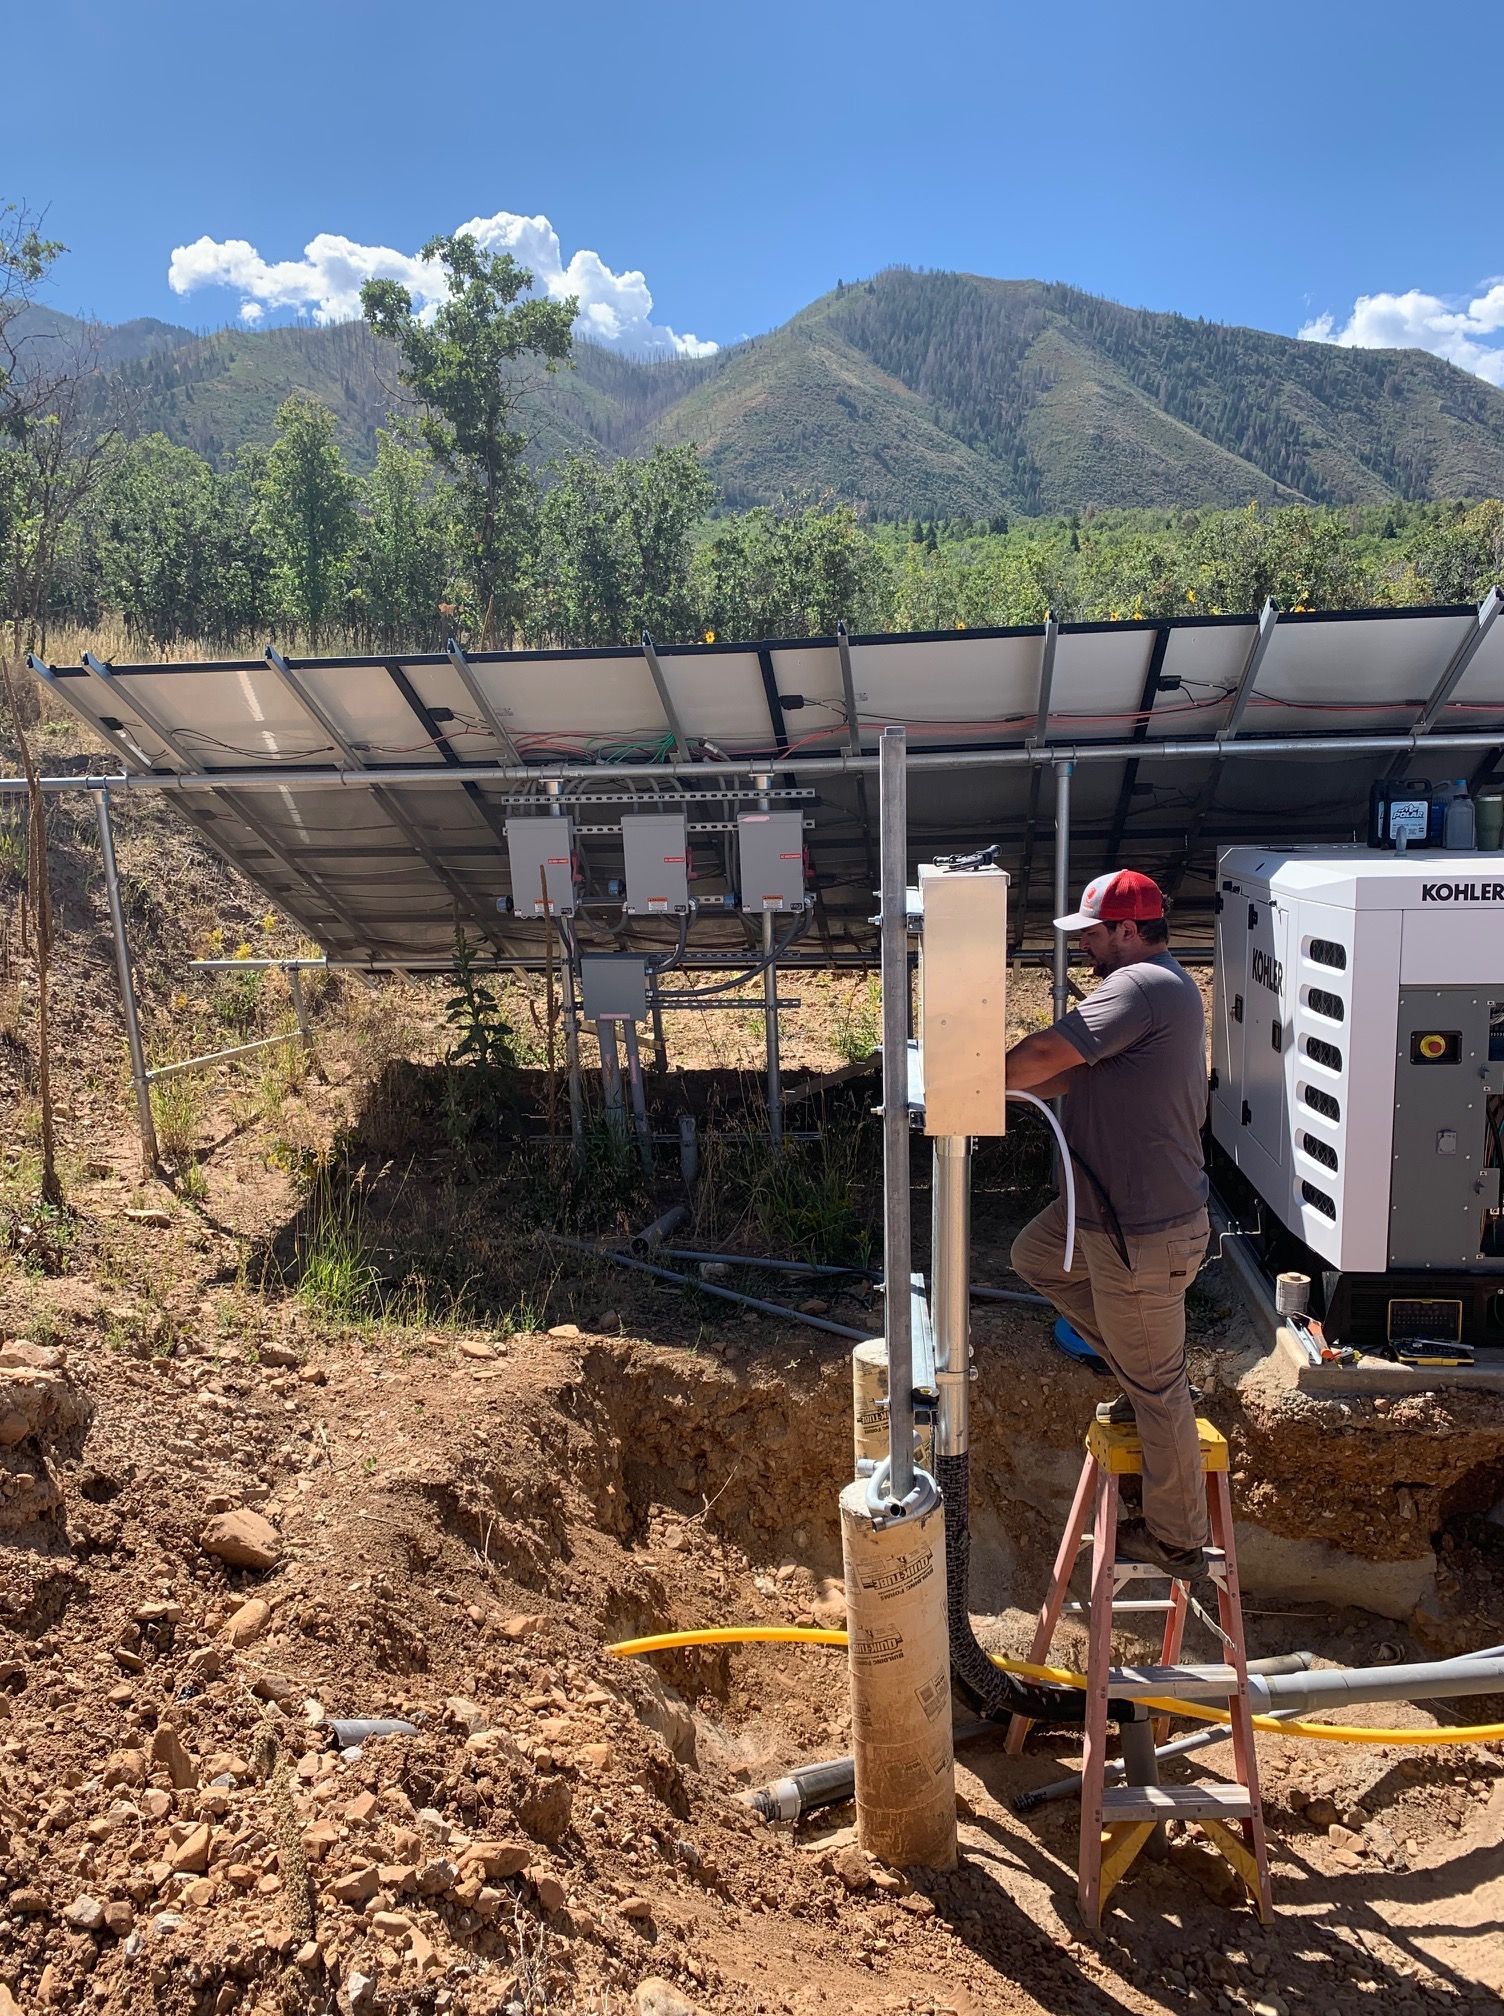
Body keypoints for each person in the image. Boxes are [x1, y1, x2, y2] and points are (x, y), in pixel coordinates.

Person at [1004, 869, 1211, 1577]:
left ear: (1128, 930)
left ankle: (1178, 1537)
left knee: (1160, 1392)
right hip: (1108, 1218)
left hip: (1139, 1232)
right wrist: (987, 1081)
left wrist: (966, 1079)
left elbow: (1042, 1057)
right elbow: (1067, 1074)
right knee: (1037, 1257)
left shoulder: (1141, 986)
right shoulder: (1157, 989)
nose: (1085, 947)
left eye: (1092, 933)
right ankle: (1140, 1369)